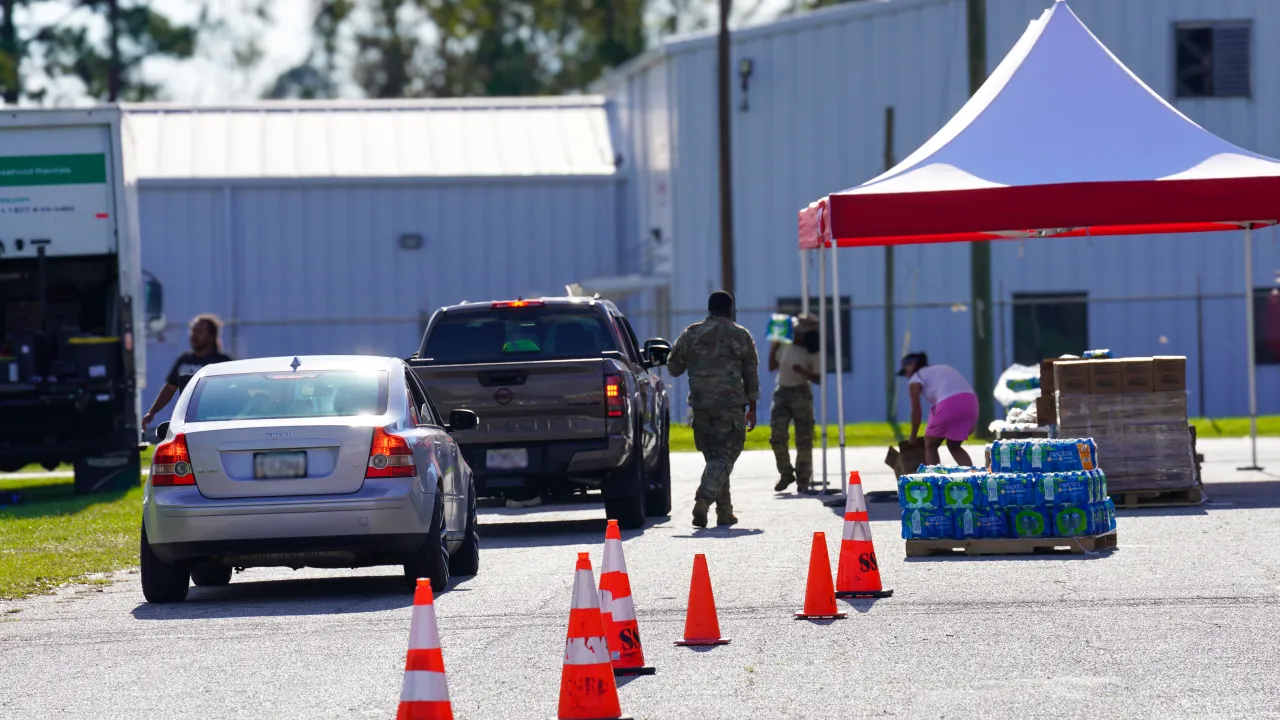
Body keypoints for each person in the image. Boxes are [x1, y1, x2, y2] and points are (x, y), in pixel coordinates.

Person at [667, 290, 759, 528]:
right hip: (729, 406)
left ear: (709, 309)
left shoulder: (691, 333)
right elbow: (751, 374)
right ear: (730, 309)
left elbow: (673, 368)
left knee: (715, 458)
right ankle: (704, 499)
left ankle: (724, 511)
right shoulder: (740, 335)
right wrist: (753, 407)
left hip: (701, 407)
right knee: (726, 455)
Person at [141, 314, 235, 432]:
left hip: (217, 422)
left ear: (211, 336)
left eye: (199, 331)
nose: (194, 335)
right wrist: (152, 412)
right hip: (189, 423)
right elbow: (170, 389)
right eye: (193, 331)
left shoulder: (223, 361)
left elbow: (237, 389)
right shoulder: (184, 360)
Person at [897, 352, 979, 467]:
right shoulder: (943, 368)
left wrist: (913, 435)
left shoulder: (916, 378)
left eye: (905, 371)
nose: (907, 376)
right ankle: (971, 476)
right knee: (954, 445)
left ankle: (934, 478)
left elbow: (916, 411)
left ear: (912, 365)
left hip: (949, 405)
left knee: (931, 444)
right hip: (971, 403)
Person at [769, 314, 821, 493]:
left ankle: (803, 479)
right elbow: (770, 366)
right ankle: (786, 472)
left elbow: (819, 378)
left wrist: (803, 372)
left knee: (804, 438)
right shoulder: (786, 345)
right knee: (777, 436)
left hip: (801, 392)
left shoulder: (812, 351)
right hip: (782, 392)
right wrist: (775, 344)